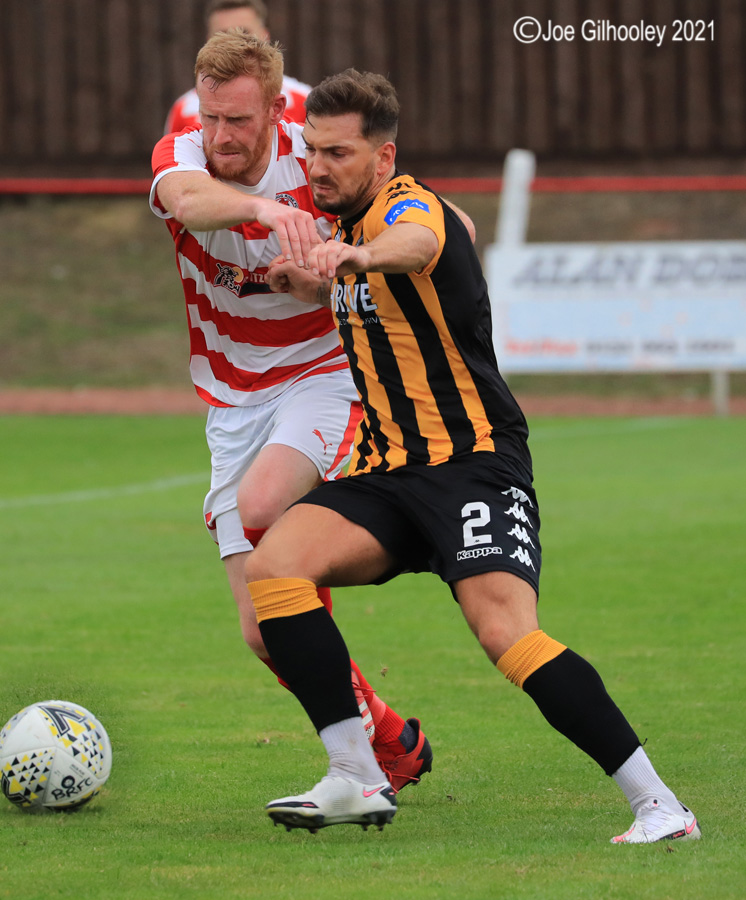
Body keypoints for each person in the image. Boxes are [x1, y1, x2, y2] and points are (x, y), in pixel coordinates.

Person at [245, 69, 702, 843]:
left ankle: (660, 807)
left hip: (471, 465)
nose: (317, 167)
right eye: (311, 149)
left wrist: (353, 261)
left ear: (383, 157)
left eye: (338, 153)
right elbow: (366, 291)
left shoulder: (405, 209)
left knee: (509, 636)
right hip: (387, 473)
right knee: (274, 567)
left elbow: (422, 242)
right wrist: (309, 280)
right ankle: (357, 774)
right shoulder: (347, 231)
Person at [149, 32, 433, 792]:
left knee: (265, 503)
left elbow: (416, 215)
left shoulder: (319, 141)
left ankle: (355, 774)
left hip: (326, 369)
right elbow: (186, 201)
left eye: (237, 121)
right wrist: (267, 213)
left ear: (277, 109)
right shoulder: (183, 157)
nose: (219, 136)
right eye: (209, 117)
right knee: (262, 629)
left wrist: (351, 261)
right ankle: (386, 741)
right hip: (233, 399)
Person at [164, 0, 310, 134]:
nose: (234, 42)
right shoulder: (183, 111)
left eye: (244, 32)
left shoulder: (304, 101)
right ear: (209, 41)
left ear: (265, 36)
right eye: (223, 34)